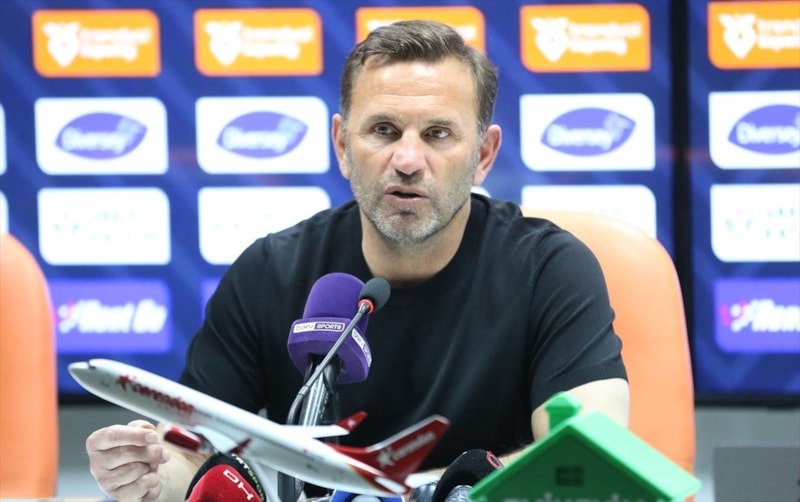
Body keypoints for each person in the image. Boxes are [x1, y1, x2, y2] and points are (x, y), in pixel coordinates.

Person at [84, 19, 629, 501]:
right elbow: (189, 456)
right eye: (383, 130)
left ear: (483, 155)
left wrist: (428, 493)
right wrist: (148, 478)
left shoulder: (550, 270)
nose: (408, 159)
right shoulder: (269, 272)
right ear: (343, 145)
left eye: (438, 134)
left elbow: (586, 450)